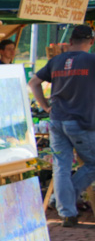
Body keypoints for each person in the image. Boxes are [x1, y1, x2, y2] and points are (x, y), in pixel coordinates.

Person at [28, 24, 95, 227]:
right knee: (92, 164)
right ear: (91, 42)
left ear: (71, 41)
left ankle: (67, 213)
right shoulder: (91, 60)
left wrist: (45, 106)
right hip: (82, 121)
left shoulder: (56, 60)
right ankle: (63, 200)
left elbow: (33, 82)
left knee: (61, 167)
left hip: (56, 120)